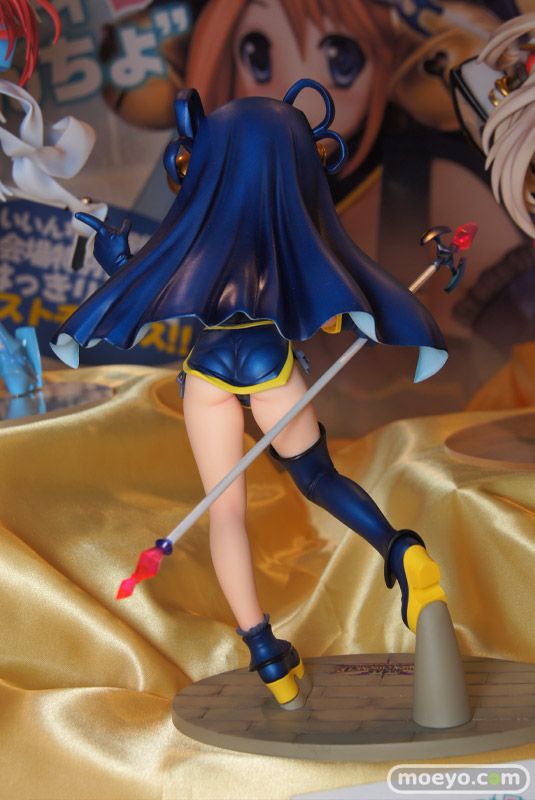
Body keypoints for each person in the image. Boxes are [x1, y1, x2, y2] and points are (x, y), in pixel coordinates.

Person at [51, 80, 449, 710]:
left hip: (208, 373)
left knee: (227, 513)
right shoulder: (298, 234)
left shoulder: (198, 231)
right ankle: (401, 550)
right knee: (318, 477)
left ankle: (267, 656)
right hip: (271, 366)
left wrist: (115, 258)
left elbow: (153, 284)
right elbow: (332, 309)